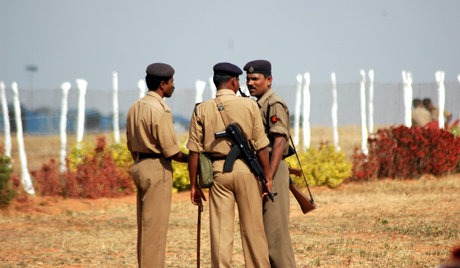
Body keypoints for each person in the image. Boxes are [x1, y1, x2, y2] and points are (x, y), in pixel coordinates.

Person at [187, 62, 272, 268]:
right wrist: (266, 178)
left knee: (221, 231)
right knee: (253, 230)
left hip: (218, 173)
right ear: (234, 81)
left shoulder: (201, 109)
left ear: (215, 82)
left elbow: (194, 151)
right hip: (246, 171)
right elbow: (261, 147)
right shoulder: (250, 105)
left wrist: (193, 185)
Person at [126, 63, 188, 268]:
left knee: (145, 227)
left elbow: (130, 145)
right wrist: (193, 159)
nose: (173, 86)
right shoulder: (161, 109)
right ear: (162, 84)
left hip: (139, 165)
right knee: (156, 230)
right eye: (171, 82)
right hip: (156, 168)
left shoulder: (135, 106)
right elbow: (172, 152)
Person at [244, 59, 297, 267]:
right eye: (247, 79)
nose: (250, 83)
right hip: (263, 170)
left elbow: (279, 141)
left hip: (273, 171)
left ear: (269, 80)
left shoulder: (273, 103)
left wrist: (269, 176)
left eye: (255, 78)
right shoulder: (256, 103)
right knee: (263, 234)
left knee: (276, 237)